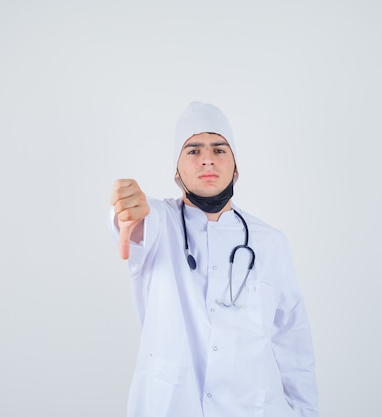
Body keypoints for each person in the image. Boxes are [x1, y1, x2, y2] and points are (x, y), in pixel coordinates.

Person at [108, 101, 319, 417]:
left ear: (236, 167)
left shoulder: (271, 243)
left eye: (219, 149)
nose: (207, 159)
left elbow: (293, 340)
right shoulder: (159, 223)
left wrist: (306, 411)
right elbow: (133, 221)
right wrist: (123, 213)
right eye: (193, 150)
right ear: (176, 171)